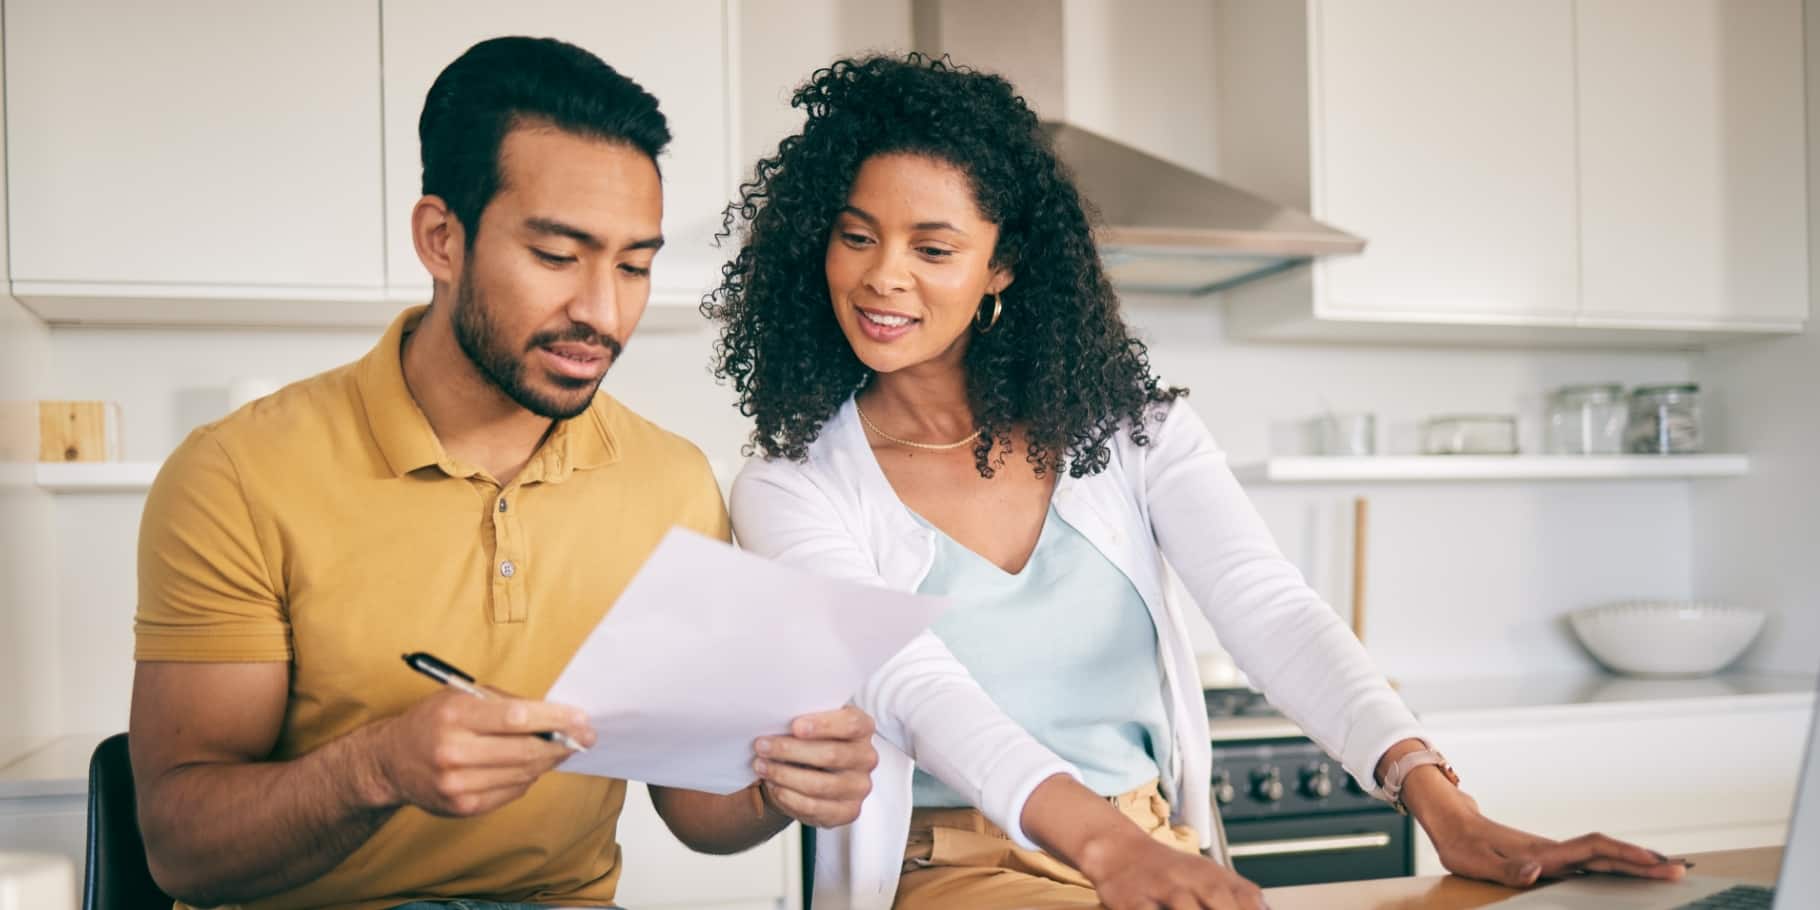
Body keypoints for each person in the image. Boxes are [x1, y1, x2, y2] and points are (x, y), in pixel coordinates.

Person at [707, 54, 1687, 910]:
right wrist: (1101, 844)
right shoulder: (793, 484)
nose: (882, 277)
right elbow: (913, 690)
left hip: (1150, 843)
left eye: (931, 248)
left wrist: (1442, 803)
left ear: (999, 266)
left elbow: (1268, 608)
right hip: (952, 867)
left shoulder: (1131, 429)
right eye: (855, 235)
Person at [129, 37, 875, 910]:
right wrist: (375, 768)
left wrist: (782, 789)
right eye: (558, 257)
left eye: (634, 265)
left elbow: (695, 808)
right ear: (442, 239)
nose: (603, 311)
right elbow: (182, 850)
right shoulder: (237, 474)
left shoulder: (669, 481)